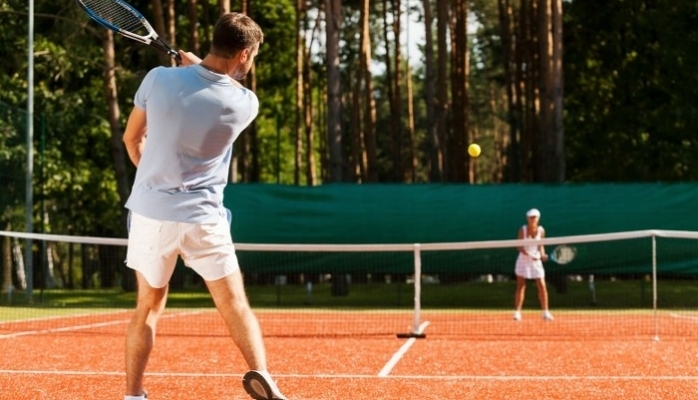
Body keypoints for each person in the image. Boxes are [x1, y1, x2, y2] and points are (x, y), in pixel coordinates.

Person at [122, 13, 287, 400]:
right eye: (253, 56)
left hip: (151, 215)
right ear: (243, 53)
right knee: (234, 304)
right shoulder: (245, 104)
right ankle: (261, 373)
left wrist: (155, 178)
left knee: (147, 309)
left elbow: (133, 140)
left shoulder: (157, 80)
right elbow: (214, 86)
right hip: (204, 219)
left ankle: (133, 394)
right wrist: (197, 67)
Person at [513, 208, 554, 321]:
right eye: (530, 217)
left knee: (542, 285)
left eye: (534, 217)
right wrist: (530, 255)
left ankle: (545, 312)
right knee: (521, 286)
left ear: (538, 218)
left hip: (536, 261)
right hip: (523, 260)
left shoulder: (541, 230)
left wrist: (542, 255)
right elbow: (519, 247)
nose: (532, 219)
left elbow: (540, 246)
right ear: (527, 219)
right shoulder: (523, 229)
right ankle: (517, 312)